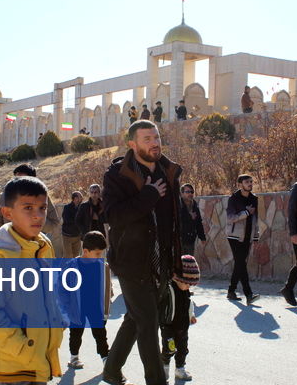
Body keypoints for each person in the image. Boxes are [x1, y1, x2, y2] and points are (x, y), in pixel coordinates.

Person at [102, 120, 183, 385]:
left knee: (135, 318)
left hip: (161, 260)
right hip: (130, 261)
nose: (154, 142)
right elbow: (113, 215)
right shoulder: (117, 175)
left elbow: (175, 221)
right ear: (132, 144)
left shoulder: (168, 172)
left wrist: (177, 263)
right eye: (147, 138)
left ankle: (112, 370)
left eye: (156, 137)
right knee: (148, 323)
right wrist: (147, 195)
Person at [0, 176, 64, 385]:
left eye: (42, 208)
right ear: (7, 213)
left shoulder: (43, 245)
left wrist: (58, 322)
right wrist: (26, 350)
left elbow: (48, 293)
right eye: (28, 208)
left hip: (38, 359)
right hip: (10, 367)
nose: (38, 215)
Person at [64, 230, 112, 370]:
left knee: (100, 334)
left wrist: (106, 306)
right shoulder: (72, 266)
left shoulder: (103, 267)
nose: (100, 256)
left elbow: (107, 287)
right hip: (77, 308)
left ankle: (105, 358)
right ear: (85, 251)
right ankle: (74, 357)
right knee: (76, 333)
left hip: (95, 308)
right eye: (97, 254)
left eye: (102, 253)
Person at [0, 164, 60, 238]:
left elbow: (54, 223)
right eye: (17, 179)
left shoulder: (43, 197)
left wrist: (35, 222)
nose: (19, 183)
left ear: (33, 179)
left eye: (23, 179)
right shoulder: (5, 197)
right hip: (10, 245)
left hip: (35, 244)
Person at [161, 255, 199, 382]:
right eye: (187, 283)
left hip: (183, 326)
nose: (189, 287)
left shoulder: (185, 291)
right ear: (178, 278)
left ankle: (180, 368)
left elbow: (189, 303)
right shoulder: (169, 289)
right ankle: (164, 369)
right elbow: (162, 307)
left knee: (183, 348)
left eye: (191, 284)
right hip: (169, 326)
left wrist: (191, 315)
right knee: (169, 348)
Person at [225, 174, 260, 305]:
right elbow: (230, 218)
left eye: (251, 181)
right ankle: (249, 294)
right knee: (241, 262)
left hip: (248, 237)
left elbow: (256, 219)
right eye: (247, 182)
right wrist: (245, 213)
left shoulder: (254, 199)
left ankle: (231, 290)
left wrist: (255, 236)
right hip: (234, 236)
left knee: (240, 264)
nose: (250, 184)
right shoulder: (233, 199)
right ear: (240, 184)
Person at [179, 183, 206, 255]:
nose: (190, 194)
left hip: (190, 240)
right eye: (187, 192)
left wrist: (202, 237)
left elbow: (198, 223)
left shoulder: (195, 206)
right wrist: (189, 216)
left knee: (189, 263)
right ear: (181, 193)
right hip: (179, 240)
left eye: (192, 192)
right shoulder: (177, 205)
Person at [61, 191, 83, 258]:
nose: (82, 198)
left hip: (77, 236)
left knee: (76, 256)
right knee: (67, 256)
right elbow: (67, 220)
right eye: (80, 197)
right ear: (75, 198)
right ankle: (63, 268)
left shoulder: (82, 207)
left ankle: (74, 268)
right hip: (67, 236)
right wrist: (79, 222)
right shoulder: (67, 208)